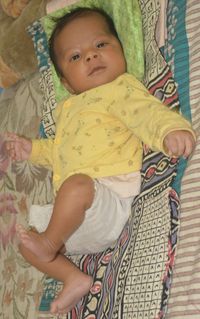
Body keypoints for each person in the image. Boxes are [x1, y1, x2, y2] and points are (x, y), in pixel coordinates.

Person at [6, 7, 196, 315]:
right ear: (67, 84)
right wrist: (32, 150)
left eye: (101, 45)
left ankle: (50, 243)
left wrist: (170, 130)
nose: (92, 56)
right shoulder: (68, 110)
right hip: (74, 221)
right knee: (25, 243)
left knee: (74, 188)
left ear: (121, 51)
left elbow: (145, 113)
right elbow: (60, 151)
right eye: (76, 57)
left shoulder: (120, 88)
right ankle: (73, 276)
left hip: (106, 198)